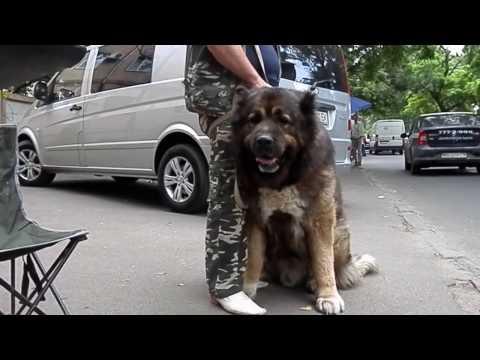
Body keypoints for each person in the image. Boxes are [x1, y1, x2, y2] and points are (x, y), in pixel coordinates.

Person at [184, 45, 281, 315]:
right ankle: (224, 287)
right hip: (232, 103)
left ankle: (236, 276)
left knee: (245, 197)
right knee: (229, 198)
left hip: (246, 101)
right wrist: (256, 81)